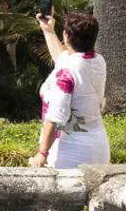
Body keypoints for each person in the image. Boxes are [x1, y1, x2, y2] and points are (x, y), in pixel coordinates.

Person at [29, 10, 110, 168]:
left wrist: (42, 153)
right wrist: (48, 30)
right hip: (99, 148)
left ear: (66, 36)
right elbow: (64, 59)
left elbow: (56, 117)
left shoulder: (66, 73)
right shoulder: (97, 61)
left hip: (71, 153)